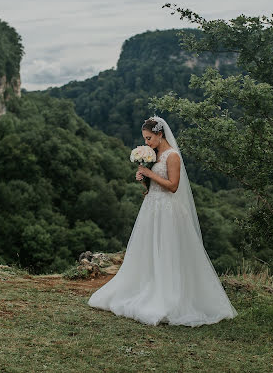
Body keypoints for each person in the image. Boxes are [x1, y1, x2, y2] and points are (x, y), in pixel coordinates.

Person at [87, 116, 238, 327]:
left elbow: (173, 186)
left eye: (149, 138)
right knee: (148, 250)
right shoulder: (154, 155)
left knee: (168, 250)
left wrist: (150, 173)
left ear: (159, 134)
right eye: (145, 139)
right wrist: (145, 179)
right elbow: (154, 187)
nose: (147, 143)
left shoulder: (172, 156)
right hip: (152, 207)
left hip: (168, 211)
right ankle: (147, 288)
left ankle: (170, 297)